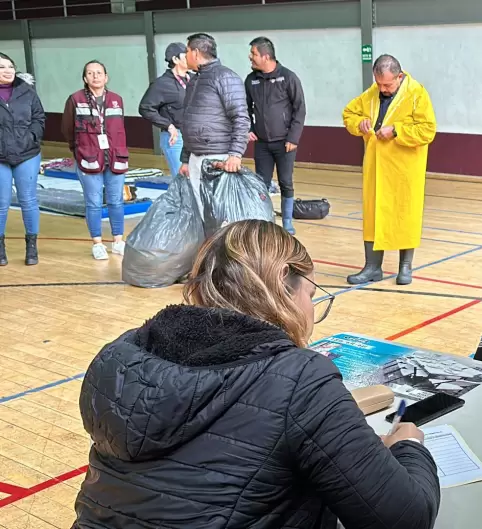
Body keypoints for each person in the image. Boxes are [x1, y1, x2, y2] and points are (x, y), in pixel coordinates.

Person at [72, 219, 441, 529]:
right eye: (310, 293)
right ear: (283, 283)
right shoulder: (299, 379)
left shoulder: (121, 355)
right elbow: (405, 519)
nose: (311, 308)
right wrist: (408, 446)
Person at [342, 54, 436, 286]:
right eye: (379, 83)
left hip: (404, 168)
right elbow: (349, 114)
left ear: (400, 76)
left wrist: (397, 130)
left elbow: (427, 130)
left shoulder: (417, 94)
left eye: (388, 84)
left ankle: (405, 267)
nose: (382, 89)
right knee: (373, 215)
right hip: (376, 167)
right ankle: (372, 267)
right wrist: (360, 123)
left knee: (405, 214)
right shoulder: (373, 92)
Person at [62, 60, 131, 260]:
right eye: (90, 73)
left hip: (115, 158)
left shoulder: (117, 99)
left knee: (116, 201)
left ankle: (118, 241)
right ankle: (97, 243)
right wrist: (79, 150)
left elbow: (120, 128)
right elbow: (67, 129)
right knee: (93, 203)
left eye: (99, 72)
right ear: (85, 78)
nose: (95, 76)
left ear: (106, 77)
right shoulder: (75, 99)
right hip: (88, 157)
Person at [178, 33, 250, 220]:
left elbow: (241, 117)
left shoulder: (226, 77)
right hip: (196, 157)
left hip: (219, 157)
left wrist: (235, 154)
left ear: (195, 52)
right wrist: (186, 159)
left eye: (186, 51)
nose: (185, 56)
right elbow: (189, 120)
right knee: (201, 210)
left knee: (221, 213)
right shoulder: (194, 81)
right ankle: (207, 247)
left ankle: (222, 248)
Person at [246, 36, 306, 235]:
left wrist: (293, 138)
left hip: (285, 144)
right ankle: (264, 219)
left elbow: (300, 109)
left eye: (254, 54)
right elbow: (244, 108)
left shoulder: (288, 78)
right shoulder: (251, 80)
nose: (250, 57)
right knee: (260, 183)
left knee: (285, 181)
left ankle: (287, 222)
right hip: (262, 144)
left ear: (266, 56)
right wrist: (248, 128)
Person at [0, 53, 44, 267]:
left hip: (28, 153)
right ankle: (0, 247)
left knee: (28, 201)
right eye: (1, 67)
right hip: (0, 157)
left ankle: (31, 246)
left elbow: (39, 118)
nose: (7, 70)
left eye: (10, 66)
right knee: (1, 203)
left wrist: (32, 137)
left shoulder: (27, 92)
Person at [139, 42, 190, 178]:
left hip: (194, 135)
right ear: (175, 59)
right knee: (183, 179)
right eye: (187, 55)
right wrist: (168, 125)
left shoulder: (194, 79)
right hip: (175, 137)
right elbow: (145, 108)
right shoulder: (162, 83)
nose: (191, 58)